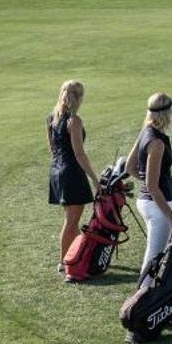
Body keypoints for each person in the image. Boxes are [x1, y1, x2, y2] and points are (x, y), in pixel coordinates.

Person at [47, 80, 98, 273]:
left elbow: (52, 149)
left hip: (56, 172)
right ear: (79, 98)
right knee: (71, 222)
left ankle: (79, 253)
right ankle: (64, 262)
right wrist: (94, 178)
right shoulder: (74, 121)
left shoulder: (51, 118)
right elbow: (79, 153)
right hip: (71, 173)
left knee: (71, 220)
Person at [130, 92, 172, 279]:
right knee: (154, 257)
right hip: (157, 205)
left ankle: (149, 294)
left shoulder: (145, 133)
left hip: (146, 203)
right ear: (166, 113)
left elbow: (130, 167)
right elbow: (152, 185)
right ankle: (141, 298)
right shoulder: (157, 143)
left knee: (157, 255)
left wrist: (146, 181)